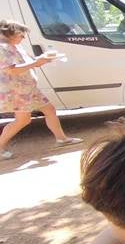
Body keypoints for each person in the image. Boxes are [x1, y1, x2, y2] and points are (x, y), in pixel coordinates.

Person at [0, 19, 81, 160]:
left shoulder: (15, 46)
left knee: (49, 109)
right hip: (18, 91)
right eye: (21, 35)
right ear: (10, 34)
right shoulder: (3, 48)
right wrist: (37, 62)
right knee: (23, 120)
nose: (23, 38)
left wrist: (42, 59)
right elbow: (11, 70)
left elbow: (28, 63)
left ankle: (61, 139)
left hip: (28, 89)